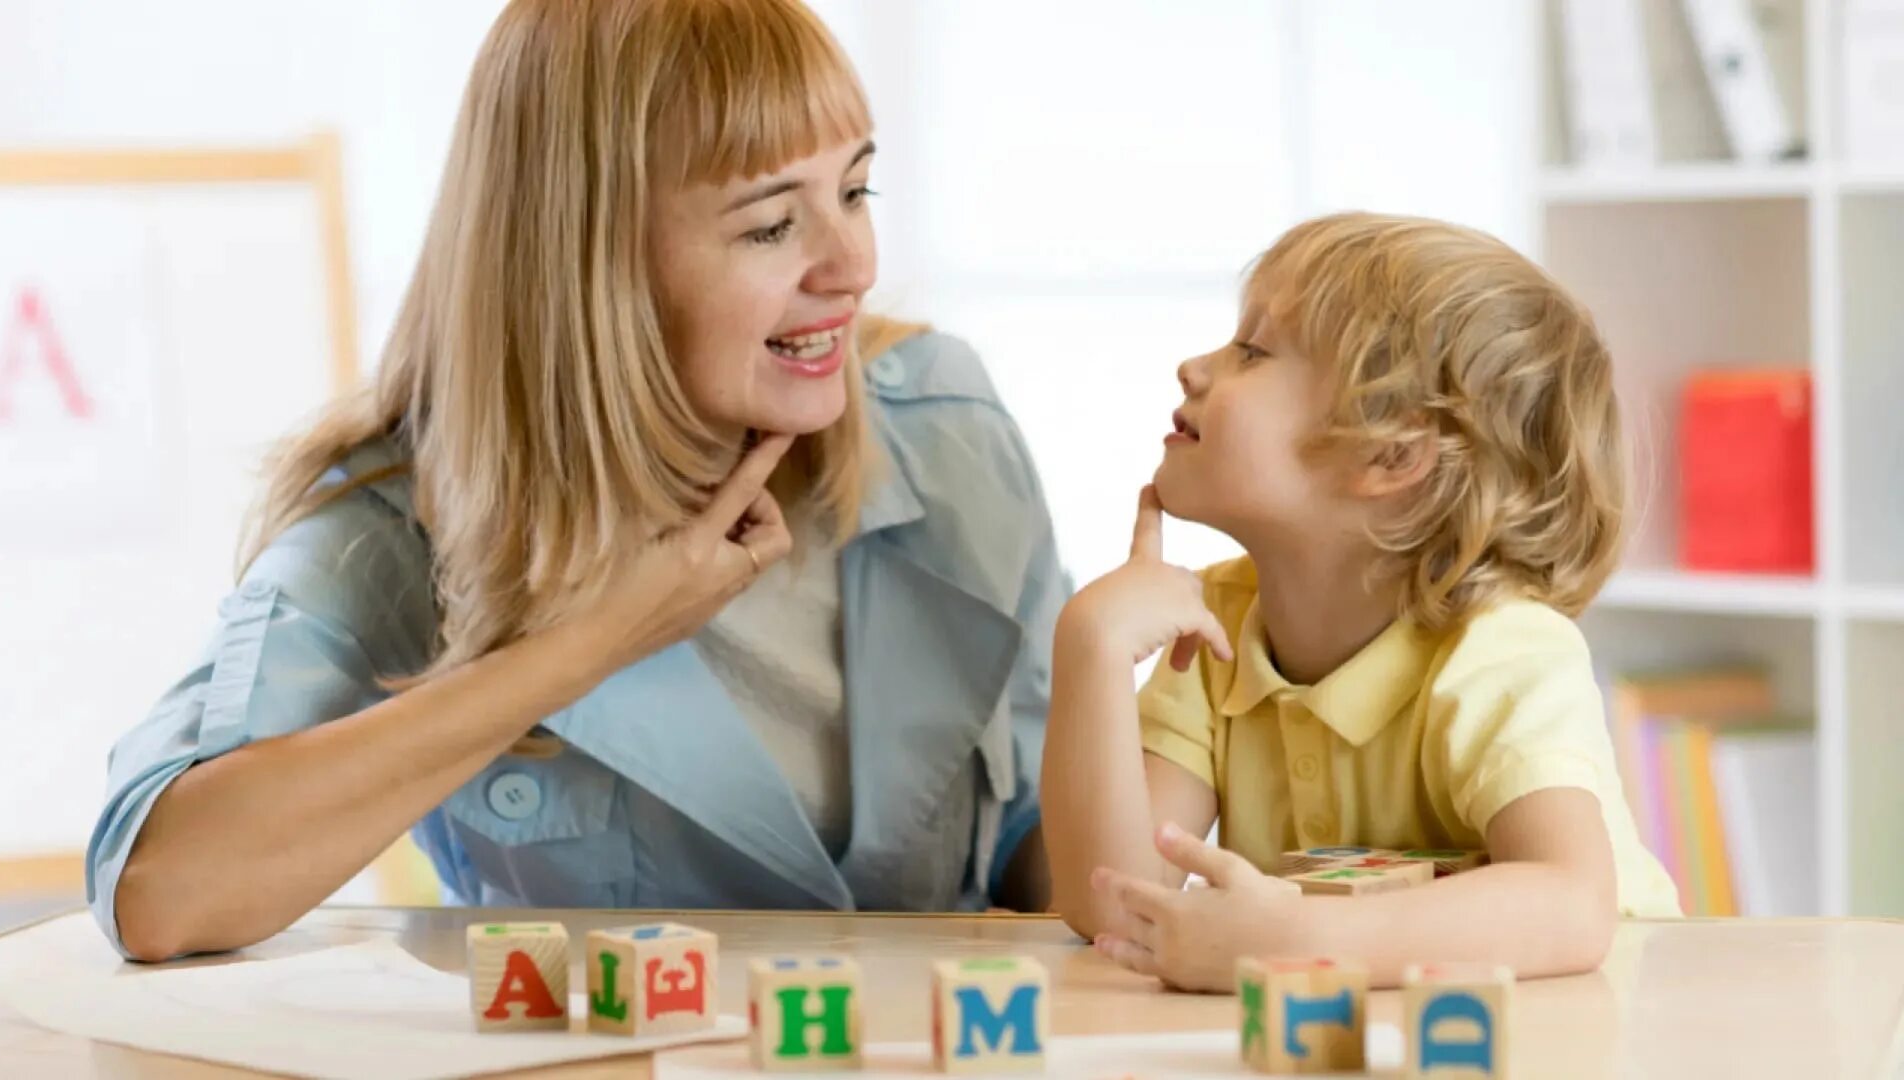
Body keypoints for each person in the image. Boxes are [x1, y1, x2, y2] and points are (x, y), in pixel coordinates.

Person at [90, 0, 1065, 963]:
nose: (853, 266)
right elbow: (157, 891)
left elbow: (1036, 838)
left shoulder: (945, 425)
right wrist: (588, 645)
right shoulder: (398, 525)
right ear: (594, 261)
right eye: (771, 226)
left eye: (855, 192)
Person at [1042, 211, 1680, 993]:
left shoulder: (1501, 648)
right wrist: (1093, 649)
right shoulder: (1214, 625)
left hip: (1601, 1027)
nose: (1193, 367)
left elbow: (1571, 904)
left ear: (1391, 454)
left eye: (1251, 351)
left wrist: (1296, 943)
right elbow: (1113, 908)